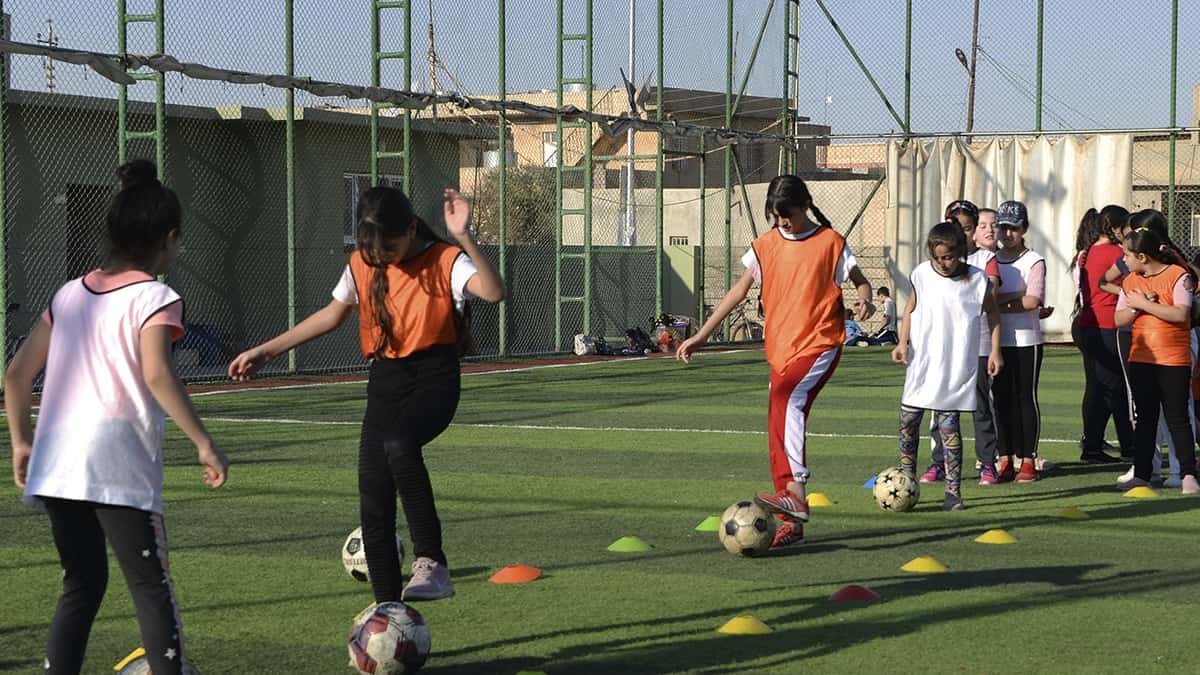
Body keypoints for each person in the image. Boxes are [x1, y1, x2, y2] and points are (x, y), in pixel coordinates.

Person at [5, 160, 229, 675]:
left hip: (58, 464)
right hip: (116, 466)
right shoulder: (156, 297)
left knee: (81, 584)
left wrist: (22, 442)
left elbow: (17, 375)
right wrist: (203, 441)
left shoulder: (68, 294)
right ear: (170, 239)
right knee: (152, 590)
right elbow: (157, 374)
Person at [228, 186, 505, 601]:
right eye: (373, 252)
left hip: (434, 380)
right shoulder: (362, 262)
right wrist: (267, 350)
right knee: (373, 500)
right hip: (384, 383)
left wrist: (464, 235)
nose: (383, 259)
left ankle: (432, 562)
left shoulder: (445, 259)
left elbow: (493, 291)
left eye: (390, 249)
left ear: (411, 229)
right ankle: (388, 609)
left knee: (398, 443)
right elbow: (332, 314)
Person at [676, 174, 874, 549]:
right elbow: (739, 290)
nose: (783, 221)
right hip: (782, 348)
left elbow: (860, 281)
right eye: (776, 214)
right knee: (776, 425)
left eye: (789, 214)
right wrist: (702, 335)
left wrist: (865, 298)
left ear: (805, 206)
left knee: (787, 400)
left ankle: (796, 492)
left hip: (821, 343)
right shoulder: (765, 246)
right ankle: (791, 521)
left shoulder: (830, 243)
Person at [892, 222, 1002, 510]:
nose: (943, 263)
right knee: (908, 422)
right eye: (937, 257)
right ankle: (906, 483)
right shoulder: (921, 274)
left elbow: (993, 315)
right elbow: (910, 308)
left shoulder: (978, 281)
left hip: (954, 368)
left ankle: (953, 492)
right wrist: (902, 342)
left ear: (961, 253)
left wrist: (995, 351)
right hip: (922, 363)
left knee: (949, 427)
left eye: (949, 257)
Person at [921, 200, 1005, 485]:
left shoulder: (982, 263)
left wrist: (995, 350)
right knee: (943, 408)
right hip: (943, 351)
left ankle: (987, 463)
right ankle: (940, 462)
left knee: (981, 407)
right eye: (957, 227)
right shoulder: (933, 266)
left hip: (977, 346)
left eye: (968, 228)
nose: (963, 233)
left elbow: (991, 302)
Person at [1113, 222, 1200, 494]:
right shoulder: (1130, 281)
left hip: (1173, 358)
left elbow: (1180, 314)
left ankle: (1187, 474)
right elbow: (1119, 318)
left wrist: (1145, 304)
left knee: (1177, 417)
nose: (1124, 260)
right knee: (1146, 417)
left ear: (1143, 257)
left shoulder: (1178, 276)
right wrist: (1137, 308)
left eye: (1127, 255)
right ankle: (1142, 473)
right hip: (1141, 357)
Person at [993, 200, 1047, 483]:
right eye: (1003, 227)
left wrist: (1002, 302)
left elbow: (1033, 300)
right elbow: (987, 299)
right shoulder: (990, 259)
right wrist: (1014, 298)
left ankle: (1028, 458)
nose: (1007, 233)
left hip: (1027, 339)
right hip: (996, 340)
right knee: (1001, 399)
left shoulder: (1034, 260)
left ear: (1024, 229)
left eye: (1013, 228)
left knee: (1025, 397)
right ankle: (1005, 458)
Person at [1072, 205, 1131, 464]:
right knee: (1110, 386)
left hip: (1089, 324)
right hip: (1108, 325)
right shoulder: (1116, 253)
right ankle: (1094, 446)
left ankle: (1116, 443)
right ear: (1115, 228)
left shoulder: (1089, 252)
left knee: (1103, 386)